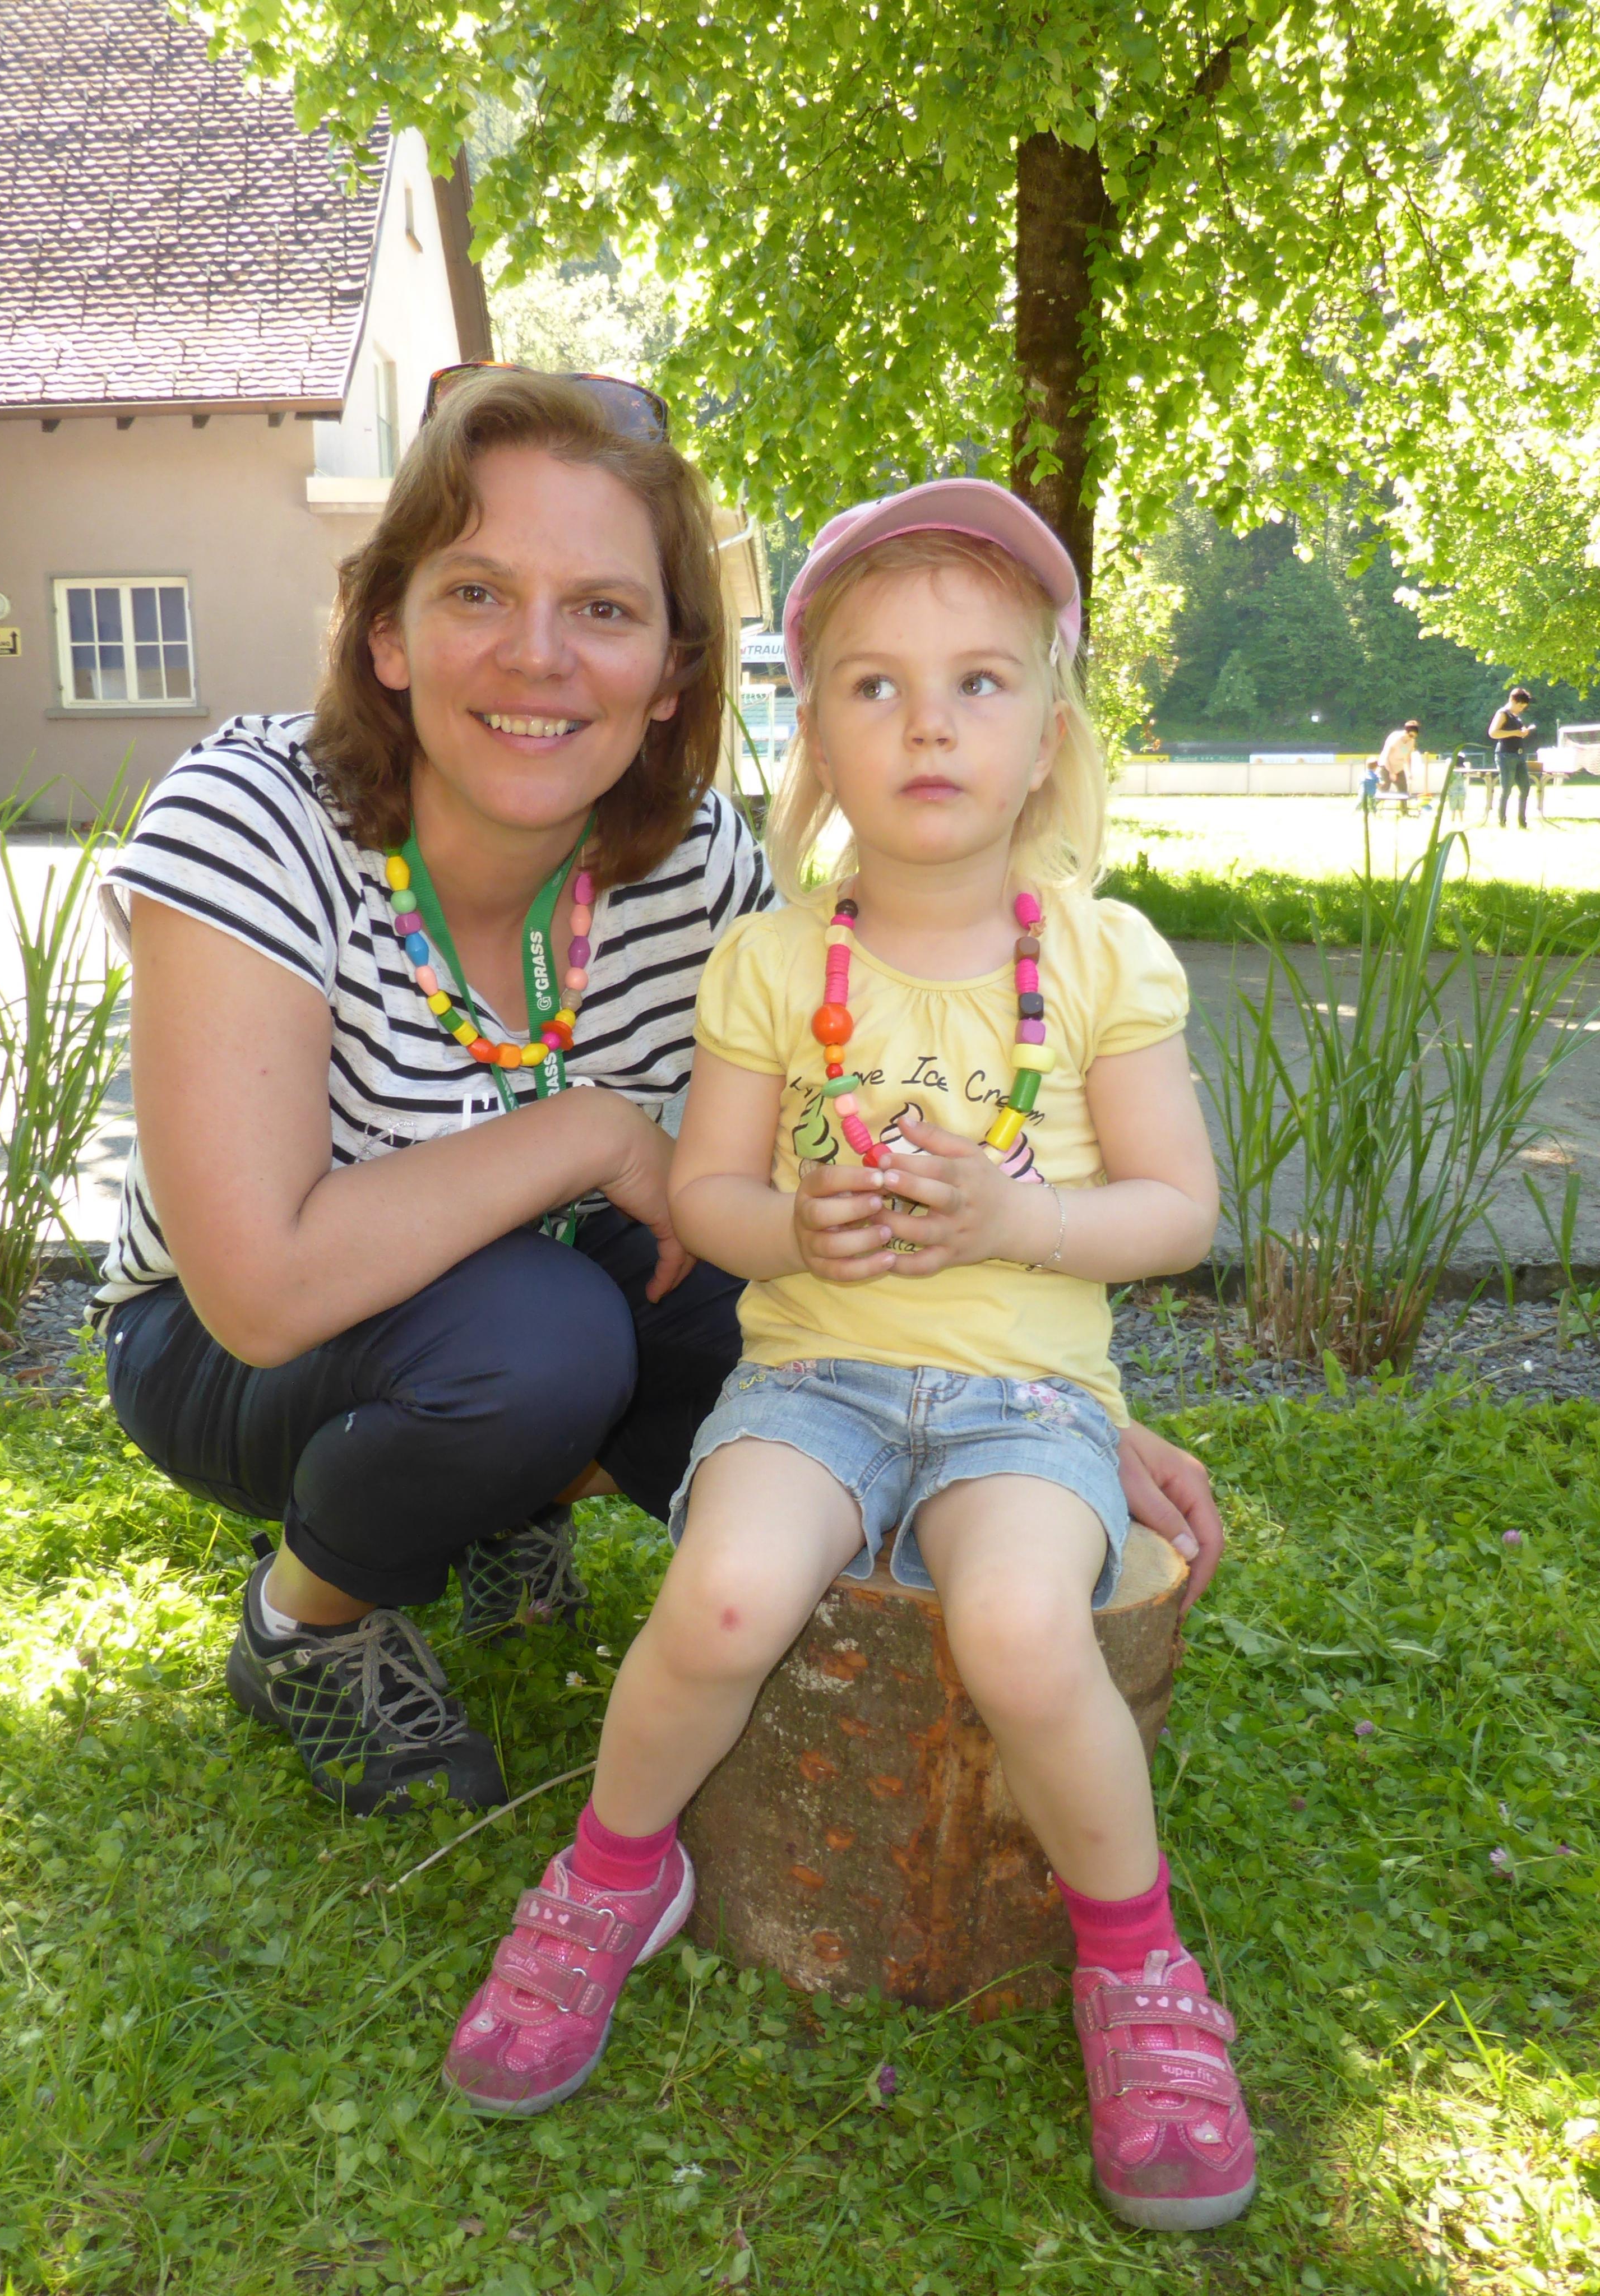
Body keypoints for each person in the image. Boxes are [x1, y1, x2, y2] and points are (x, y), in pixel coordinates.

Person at [97, 372, 1226, 1821]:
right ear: (387, 631)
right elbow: (256, 1290)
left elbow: (792, 1209)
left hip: (546, 1281)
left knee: (781, 1350)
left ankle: (502, 1502)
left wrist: (1040, 1407)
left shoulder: (698, 869)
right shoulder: (252, 814)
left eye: (604, 609)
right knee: (544, 1340)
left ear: (675, 672)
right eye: (478, 593)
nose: (539, 656)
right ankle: (305, 1623)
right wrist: (588, 1132)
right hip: (232, 1345)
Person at [444, 481, 1256, 2234]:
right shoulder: (770, 961)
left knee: (1022, 1622)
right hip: (809, 1386)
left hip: (1027, 1402)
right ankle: (614, 1875)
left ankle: (1136, 1962)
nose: (928, 725)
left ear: (1048, 734)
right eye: (875, 686)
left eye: (979, 683)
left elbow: (1178, 1210)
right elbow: (710, 1199)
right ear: (816, 737)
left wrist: (1025, 1219)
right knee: (727, 1591)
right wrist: (795, 1232)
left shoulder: (1100, 957)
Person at [1489, 687, 1537, 825]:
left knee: (1525, 787)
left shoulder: (1516, 716)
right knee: (1507, 789)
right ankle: (1502, 821)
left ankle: (1522, 822)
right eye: (1520, 706)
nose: (1521, 709)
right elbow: (1493, 733)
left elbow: (1516, 732)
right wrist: (1515, 733)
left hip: (1519, 755)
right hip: (1506, 755)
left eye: (1524, 707)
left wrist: (1523, 732)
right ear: (1512, 701)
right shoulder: (1503, 714)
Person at [1375, 719, 1421, 799]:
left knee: (1403, 792)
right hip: (1386, 767)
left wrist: (1409, 772)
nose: (1412, 738)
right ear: (1406, 732)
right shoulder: (1396, 739)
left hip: (1399, 768)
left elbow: (1407, 757)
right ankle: (1375, 805)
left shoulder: (1411, 741)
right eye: (1411, 736)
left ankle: (1403, 808)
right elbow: (1386, 757)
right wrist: (1391, 772)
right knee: (1384, 790)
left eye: (1414, 737)